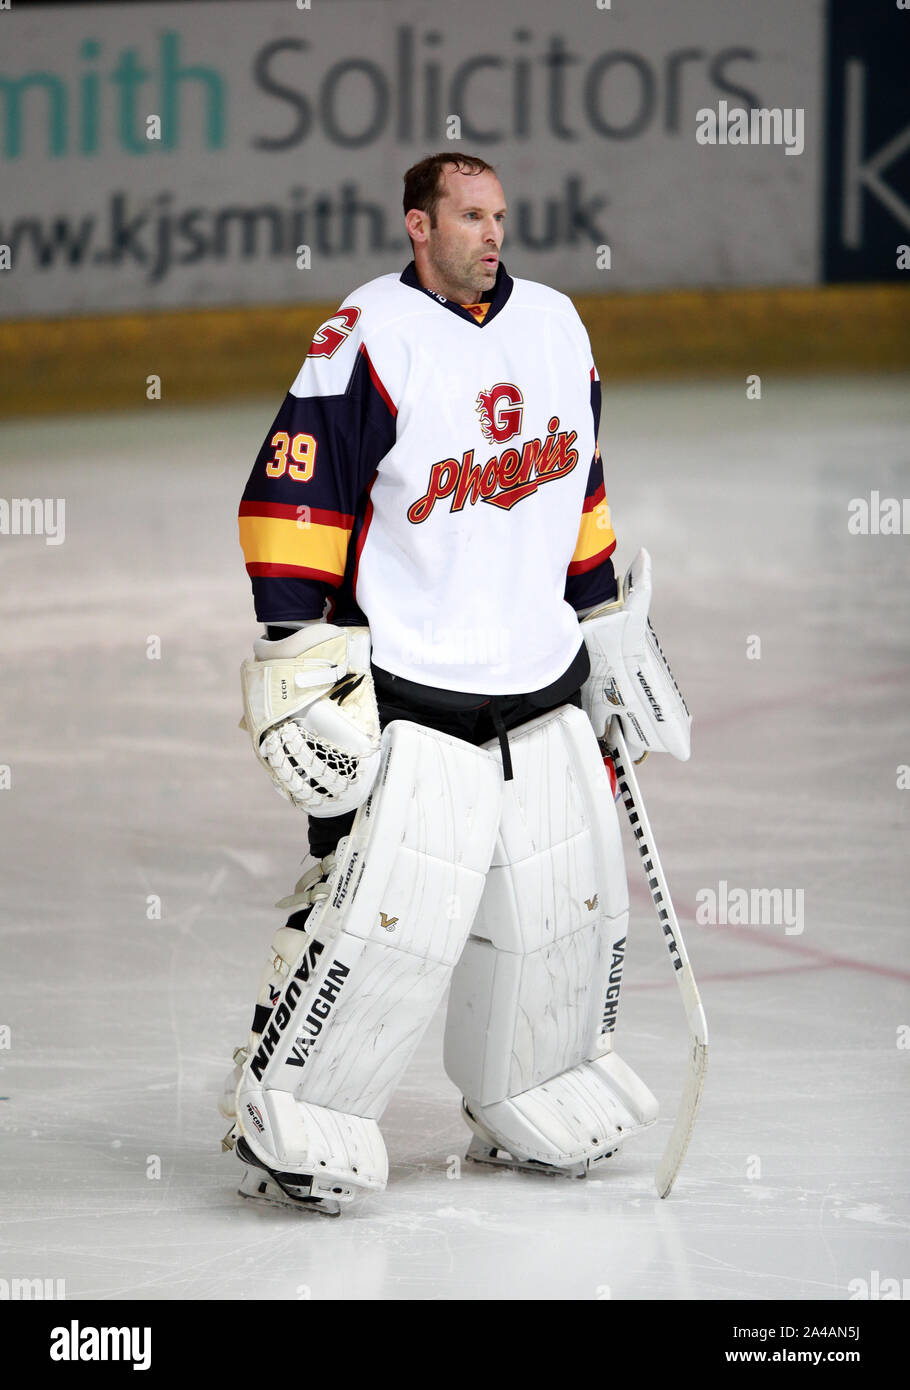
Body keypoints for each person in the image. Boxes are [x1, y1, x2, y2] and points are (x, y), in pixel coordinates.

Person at [221, 153, 691, 1214]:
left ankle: (535, 1082)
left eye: (501, 216)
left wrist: (604, 624)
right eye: (470, 216)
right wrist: (298, 649)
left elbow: (581, 485)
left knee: (561, 907)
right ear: (417, 226)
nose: (492, 233)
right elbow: (290, 497)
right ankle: (301, 1105)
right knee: (390, 921)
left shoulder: (559, 326)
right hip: (412, 685)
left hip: (542, 679)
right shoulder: (368, 333)